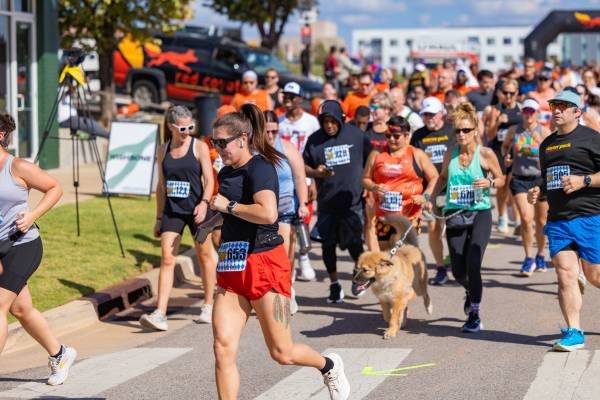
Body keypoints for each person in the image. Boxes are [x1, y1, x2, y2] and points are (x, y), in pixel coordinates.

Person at [210, 103, 350, 399]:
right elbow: (230, 213)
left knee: (282, 352)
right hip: (232, 266)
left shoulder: (261, 168)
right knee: (222, 347)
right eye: (214, 142)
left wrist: (228, 206)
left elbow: (268, 213)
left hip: (265, 264)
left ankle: (328, 366)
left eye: (223, 143)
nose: (218, 149)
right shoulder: (225, 172)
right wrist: (209, 220)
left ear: (242, 139)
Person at [0, 112, 77, 385]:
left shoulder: (17, 167)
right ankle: (60, 354)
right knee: (21, 310)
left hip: (23, 244)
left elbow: (55, 188)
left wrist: (32, 215)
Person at [527, 90, 600, 352]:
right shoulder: (547, 145)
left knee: (595, 275)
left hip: (590, 217)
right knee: (565, 273)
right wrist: (538, 190)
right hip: (558, 220)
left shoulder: (592, 139)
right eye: (554, 105)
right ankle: (574, 332)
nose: (556, 110)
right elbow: (548, 178)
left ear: (577, 112)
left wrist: (585, 180)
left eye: (563, 106)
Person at [139, 106, 216, 330]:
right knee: (166, 258)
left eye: (190, 127)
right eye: (182, 128)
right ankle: (160, 313)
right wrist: (159, 217)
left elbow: (209, 180)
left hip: (197, 210)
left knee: (204, 256)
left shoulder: (199, 147)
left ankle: (208, 305)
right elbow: (161, 186)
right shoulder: (162, 150)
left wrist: (204, 203)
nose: (187, 132)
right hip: (173, 211)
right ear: (171, 127)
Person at [432, 103, 505, 332]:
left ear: (475, 131)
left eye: (466, 130)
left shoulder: (485, 154)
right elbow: (442, 177)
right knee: (458, 271)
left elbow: (502, 179)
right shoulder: (450, 153)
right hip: (455, 213)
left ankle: (474, 313)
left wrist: (489, 182)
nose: (461, 134)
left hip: (480, 213)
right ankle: (469, 289)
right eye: (458, 130)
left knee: (473, 264)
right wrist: (429, 198)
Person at [303, 100, 372, 303]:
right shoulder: (314, 140)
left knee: (354, 245)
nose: (329, 125)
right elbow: (303, 166)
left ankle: (359, 276)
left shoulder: (356, 135)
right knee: (328, 246)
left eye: (333, 121)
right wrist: (316, 173)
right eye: (325, 121)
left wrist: (370, 185)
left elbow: (372, 158)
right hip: (327, 203)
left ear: (341, 119)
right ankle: (334, 285)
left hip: (352, 201)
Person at [362, 116, 438, 252]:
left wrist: (425, 196)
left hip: (409, 215)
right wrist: (374, 187)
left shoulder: (417, 154)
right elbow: (365, 179)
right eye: (388, 136)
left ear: (407, 136)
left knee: (405, 254)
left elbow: (434, 177)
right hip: (383, 215)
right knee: (386, 256)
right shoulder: (376, 154)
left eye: (396, 136)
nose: (391, 139)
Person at [264, 110, 309, 314]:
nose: (270, 135)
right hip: (261, 211)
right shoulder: (253, 150)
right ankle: (270, 291)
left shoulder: (287, 148)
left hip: (285, 210)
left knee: (283, 254)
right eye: (266, 131)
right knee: (264, 257)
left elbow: (300, 178)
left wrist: (303, 204)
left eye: (274, 131)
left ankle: (286, 290)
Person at [501, 98, 550, 276]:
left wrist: (541, 144)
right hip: (520, 179)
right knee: (526, 219)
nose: (528, 115)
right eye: (526, 111)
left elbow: (553, 154)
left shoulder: (544, 132)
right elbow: (505, 148)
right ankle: (529, 258)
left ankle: (540, 255)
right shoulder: (514, 130)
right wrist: (506, 157)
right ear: (522, 113)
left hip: (540, 180)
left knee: (542, 222)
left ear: (537, 113)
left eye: (532, 111)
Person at [278, 82, 321, 281]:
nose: (287, 99)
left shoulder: (311, 122)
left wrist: (313, 180)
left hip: (305, 177)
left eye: (291, 96)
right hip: (284, 178)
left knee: (303, 219)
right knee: (287, 221)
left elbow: (315, 153)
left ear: (300, 99)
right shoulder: (279, 122)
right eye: (285, 95)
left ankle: (304, 257)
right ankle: (291, 264)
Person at [410, 97, 455, 285]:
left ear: (441, 114)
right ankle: (440, 268)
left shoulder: (452, 131)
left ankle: (457, 261)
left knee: (455, 228)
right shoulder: (418, 136)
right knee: (434, 228)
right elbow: (413, 164)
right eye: (425, 114)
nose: (428, 118)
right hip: (430, 190)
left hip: (453, 187)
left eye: (432, 114)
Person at [486, 79, 521, 233]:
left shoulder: (521, 109)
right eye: (505, 92)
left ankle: (517, 219)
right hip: (499, 152)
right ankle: (502, 217)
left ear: (516, 93)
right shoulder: (496, 110)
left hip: (516, 152)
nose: (508, 96)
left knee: (514, 186)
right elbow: (489, 135)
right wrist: (497, 122)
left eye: (511, 93)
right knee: (502, 185)